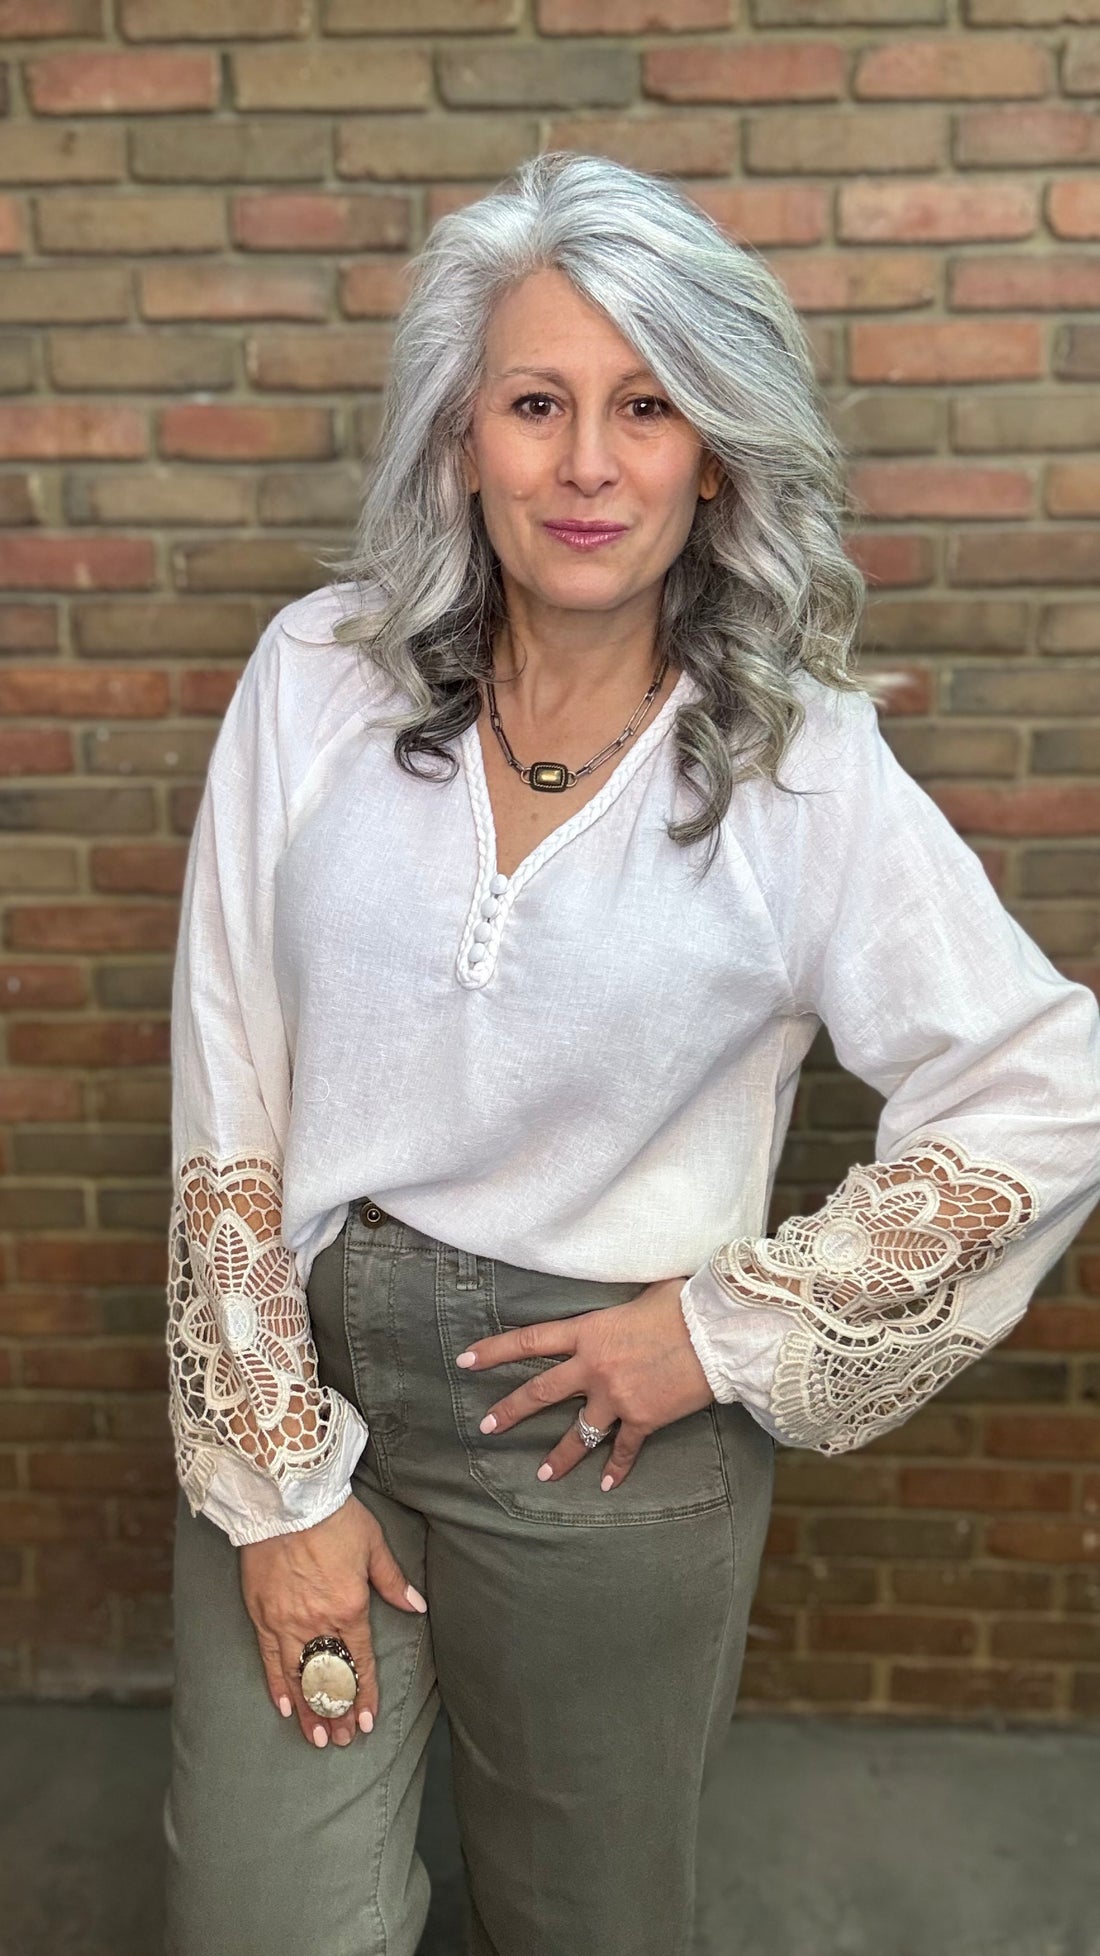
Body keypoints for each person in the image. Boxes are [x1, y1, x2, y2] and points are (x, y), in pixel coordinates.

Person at [161, 150, 1100, 1956]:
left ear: (715, 453)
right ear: (463, 442)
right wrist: (281, 1486)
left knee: (587, 1923)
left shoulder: (800, 768)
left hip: (603, 1449)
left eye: (646, 406)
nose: (588, 463)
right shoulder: (317, 680)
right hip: (306, 1389)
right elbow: (233, 1088)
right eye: (536, 403)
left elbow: (1044, 1083)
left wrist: (724, 1327)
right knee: (268, 1920)